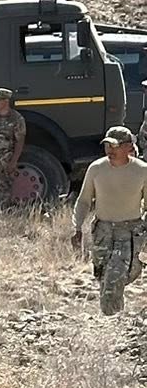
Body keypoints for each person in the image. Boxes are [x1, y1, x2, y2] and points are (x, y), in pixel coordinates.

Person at [73, 127, 147, 315]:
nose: (110, 150)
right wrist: (77, 227)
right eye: (107, 145)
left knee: (114, 277)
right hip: (102, 231)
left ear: (128, 147)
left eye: (115, 146)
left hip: (128, 231)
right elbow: (84, 200)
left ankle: (111, 318)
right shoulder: (96, 169)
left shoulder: (142, 171)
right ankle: (116, 315)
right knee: (104, 276)